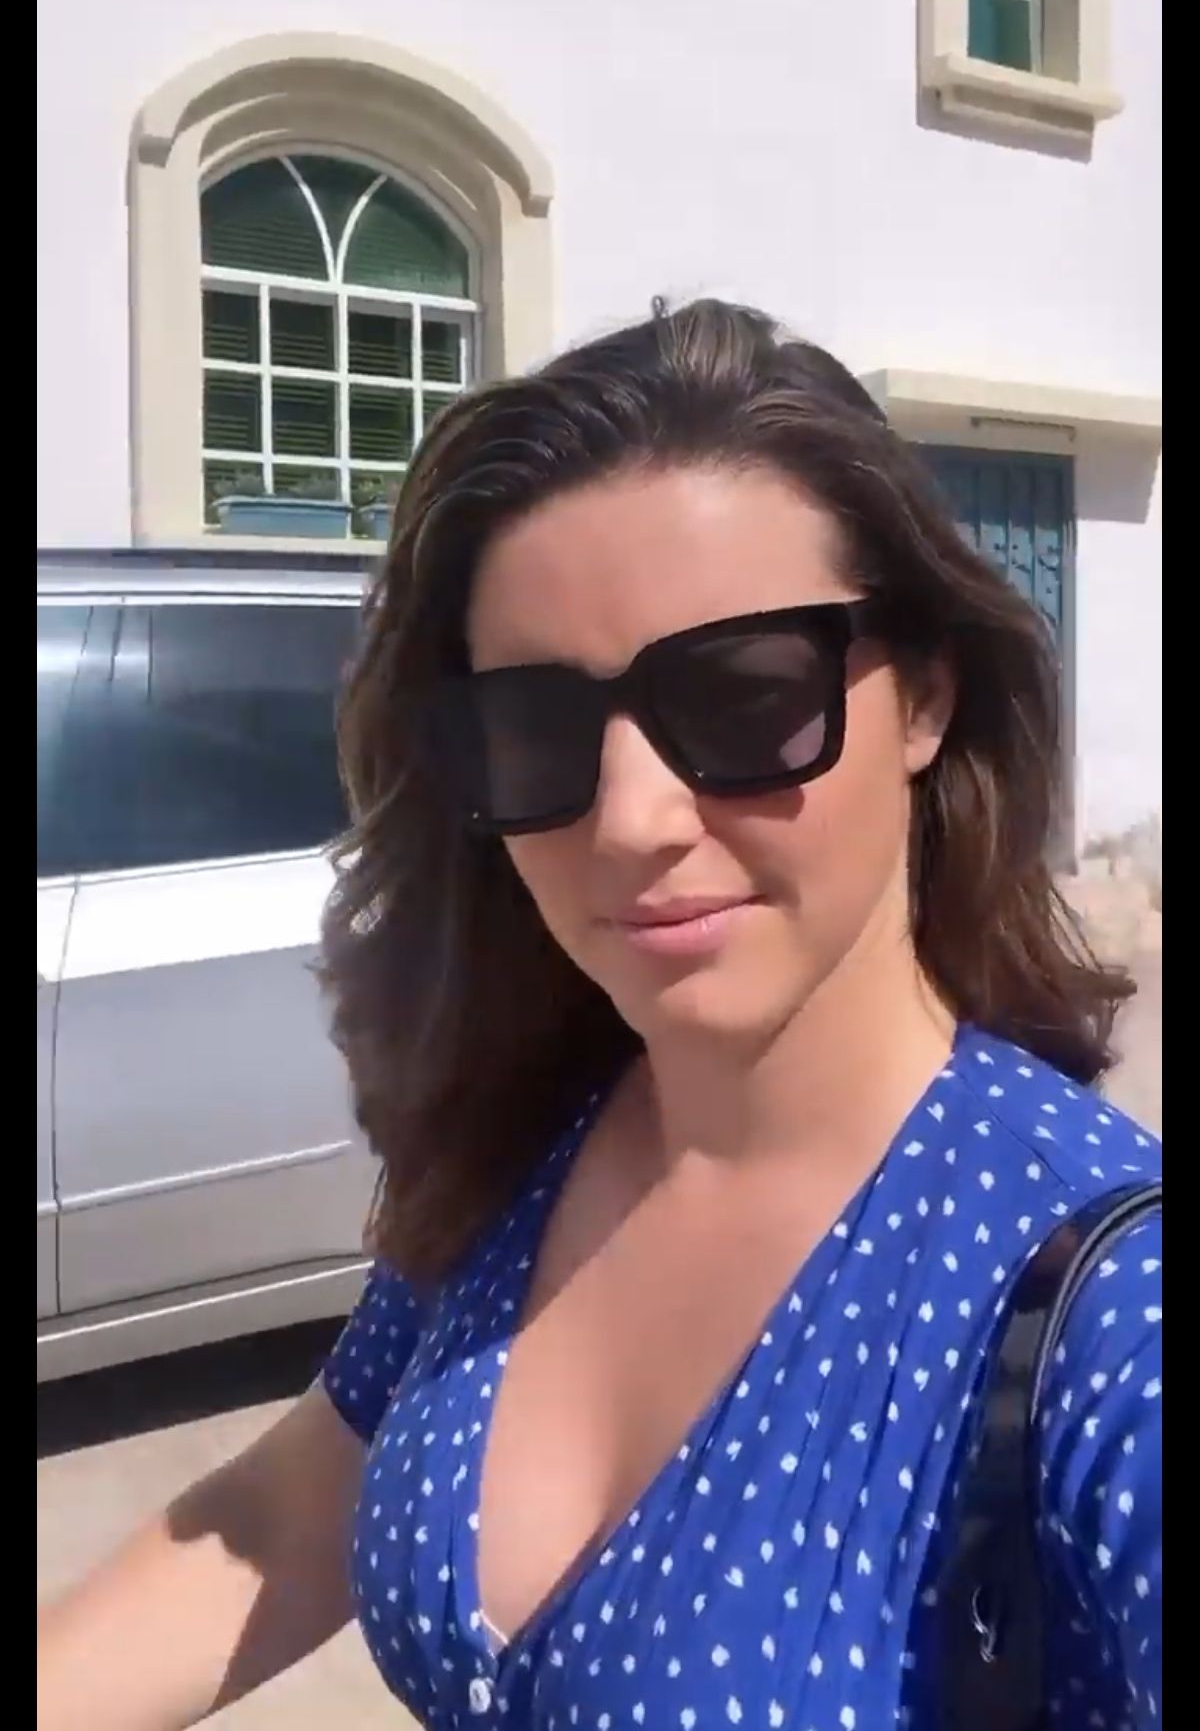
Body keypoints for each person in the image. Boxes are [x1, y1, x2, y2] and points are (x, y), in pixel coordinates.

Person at [38, 300, 1161, 1730]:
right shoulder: (524, 1145)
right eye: (536, 728)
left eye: (744, 696)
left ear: (927, 702)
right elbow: (286, 1511)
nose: (630, 821)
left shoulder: (1106, 1313)